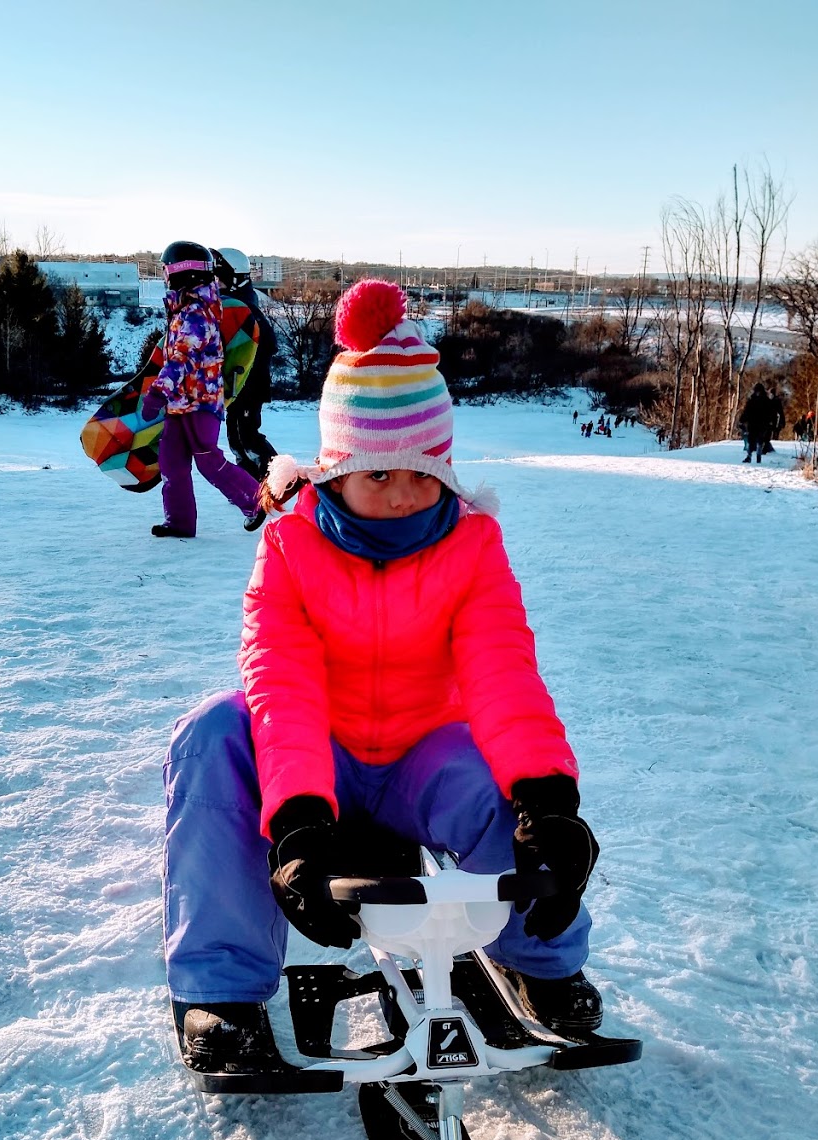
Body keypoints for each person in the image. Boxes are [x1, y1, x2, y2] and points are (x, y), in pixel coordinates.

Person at [163, 280, 603, 1075]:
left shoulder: (470, 547)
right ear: (337, 470)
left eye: (423, 474)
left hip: (418, 755)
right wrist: (297, 820)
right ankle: (220, 988)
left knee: (497, 788)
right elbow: (282, 682)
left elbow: (503, 671)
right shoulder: (292, 547)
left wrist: (549, 801)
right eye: (381, 475)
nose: (405, 497)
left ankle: (541, 959)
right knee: (213, 735)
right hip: (318, 753)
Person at [142, 241, 263, 538]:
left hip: (201, 403)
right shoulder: (182, 309)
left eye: (166, 270)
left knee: (208, 460)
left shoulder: (197, 313)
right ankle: (179, 522)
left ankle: (255, 501)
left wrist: (158, 392)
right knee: (171, 463)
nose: (163, 276)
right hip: (180, 404)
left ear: (181, 272)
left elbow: (182, 357)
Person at [213, 247, 280, 481]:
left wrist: (247, 370)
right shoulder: (229, 304)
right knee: (235, 438)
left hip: (249, 385)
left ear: (234, 279)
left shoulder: (243, 307)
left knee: (249, 437)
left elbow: (269, 342)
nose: (215, 284)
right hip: (235, 385)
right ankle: (249, 483)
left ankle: (280, 480)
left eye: (219, 279)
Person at [740, 382, 773, 464]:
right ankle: (757, 457)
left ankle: (750, 456)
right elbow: (771, 413)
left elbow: (746, 411)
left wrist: (742, 420)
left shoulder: (752, 400)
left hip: (753, 423)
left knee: (752, 440)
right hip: (762, 424)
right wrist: (770, 422)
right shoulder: (766, 400)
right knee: (759, 441)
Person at [766, 386, 785, 456]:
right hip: (767, 419)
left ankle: (770, 444)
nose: (771, 395)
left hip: (773, 419)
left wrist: (782, 421)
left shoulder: (776, 401)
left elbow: (780, 412)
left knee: (772, 432)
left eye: (771, 394)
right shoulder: (766, 400)